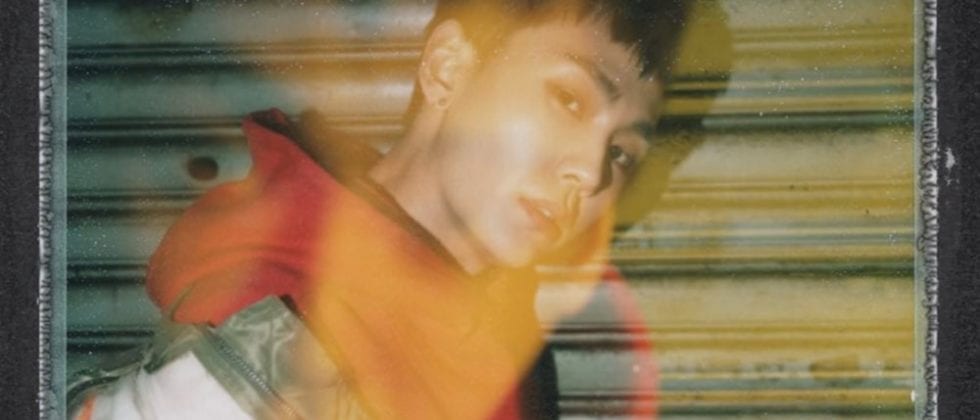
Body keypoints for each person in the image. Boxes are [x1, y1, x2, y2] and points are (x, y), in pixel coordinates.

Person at [68, 0, 699, 418]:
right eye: (569, 99)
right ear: (447, 69)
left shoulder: (498, 327)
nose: (589, 173)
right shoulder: (275, 311)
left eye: (622, 153)